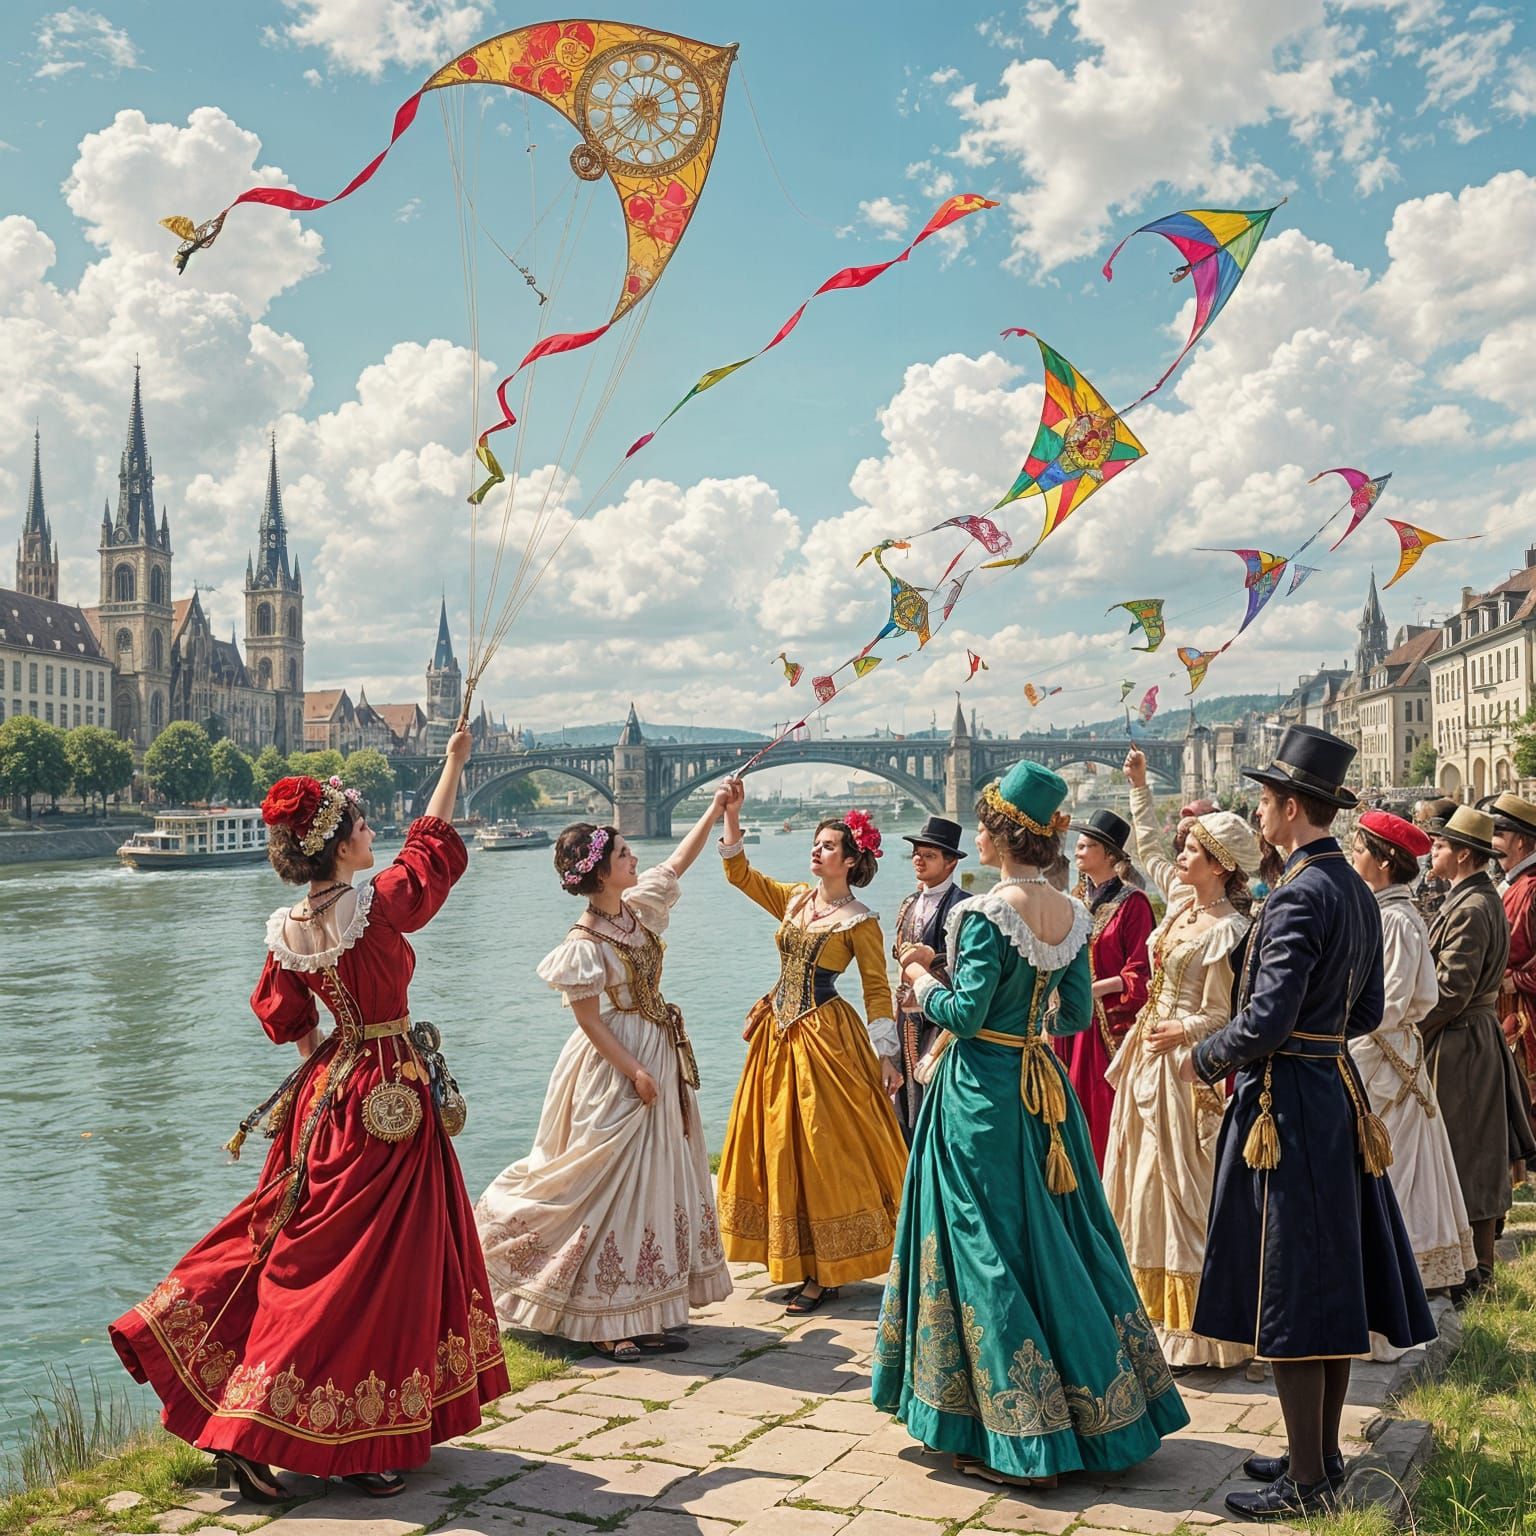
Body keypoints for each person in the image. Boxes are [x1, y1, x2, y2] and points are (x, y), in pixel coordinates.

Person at [110, 734, 510, 1502]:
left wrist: (329, 1068)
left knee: (297, 1250)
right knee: (370, 1272)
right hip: (387, 1094)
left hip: (327, 1093)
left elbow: (288, 1017)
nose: (372, 831)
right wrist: (454, 765)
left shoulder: (289, 929)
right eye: (360, 824)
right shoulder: (376, 905)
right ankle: (326, 1438)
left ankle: (300, 1422)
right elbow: (431, 849)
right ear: (337, 843)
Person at [873, 761, 1189, 1489]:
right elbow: (1073, 1014)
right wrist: (1028, 1018)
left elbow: (964, 1015)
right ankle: (1098, 1409)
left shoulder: (982, 915)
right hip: (1044, 1089)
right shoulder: (1074, 913)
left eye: (983, 828)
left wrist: (920, 979)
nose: (977, 838)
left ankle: (1018, 1434)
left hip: (980, 1096)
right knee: (1062, 1241)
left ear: (1001, 835)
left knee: (985, 1248)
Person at [1177, 725, 1435, 1521]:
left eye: (1264, 799)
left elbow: (1264, 1019)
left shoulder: (1297, 893)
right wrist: (1315, 1045)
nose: (1257, 811)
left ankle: (1310, 1485)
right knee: (1325, 1287)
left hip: (1284, 1105)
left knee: (1291, 1289)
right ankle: (1314, 1455)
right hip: (1332, 1091)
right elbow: (1368, 1010)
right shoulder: (1351, 887)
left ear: (1292, 807)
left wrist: (1204, 1058)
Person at [474, 792, 736, 1362]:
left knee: (651, 1181)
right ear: (599, 872)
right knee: (600, 1182)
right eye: (622, 853)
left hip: (658, 1051)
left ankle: (640, 1313)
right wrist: (636, 1071)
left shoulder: (634, 910)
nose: (634, 857)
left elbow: (678, 863)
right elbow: (589, 1021)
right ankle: (598, 1319)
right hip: (613, 1065)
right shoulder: (583, 943)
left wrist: (717, 810)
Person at [716, 782, 908, 1313]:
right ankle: (797, 1258)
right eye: (816, 843)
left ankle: (826, 1272)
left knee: (824, 1148)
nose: (817, 851)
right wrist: (732, 814)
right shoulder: (797, 897)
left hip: (825, 1037)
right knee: (778, 1144)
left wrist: (886, 1055)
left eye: (827, 846)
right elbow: (740, 875)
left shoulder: (860, 921)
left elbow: (876, 990)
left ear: (849, 861)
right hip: (777, 1037)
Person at [1104, 752, 1259, 1372]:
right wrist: (1139, 787)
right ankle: (1143, 1320)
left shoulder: (1228, 929)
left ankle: (1196, 1329)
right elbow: (1146, 845)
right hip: (1145, 1061)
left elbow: (1224, 1014)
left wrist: (1182, 1031)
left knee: (1177, 1189)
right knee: (1135, 1181)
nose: (1182, 855)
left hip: (1183, 1067)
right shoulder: (1180, 904)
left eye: (1193, 849)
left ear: (1219, 865)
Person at [1346, 812, 1475, 1327]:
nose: (1353, 856)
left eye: (1359, 849)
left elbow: (1389, 1002)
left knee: (1396, 1167)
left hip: (1382, 1058)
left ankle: (1401, 1276)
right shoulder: (1383, 913)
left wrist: (1339, 1034)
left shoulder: (1396, 920)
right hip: (1381, 1053)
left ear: (1382, 862)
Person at [1419, 805, 1535, 1295]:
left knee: (1469, 1153)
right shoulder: (1471, 897)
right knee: (1468, 1151)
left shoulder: (1471, 906)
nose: (1433, 852)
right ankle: (1470, 1264)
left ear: (1464, 855)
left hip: (1463, 1041)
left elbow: (1451, 990)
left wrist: (1408, 1027)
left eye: (1441, 845)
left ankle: (1477, 1270)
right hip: (1465, 1036)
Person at [1055, 809, 1154, 1170]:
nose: (1078, 850)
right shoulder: (1075, 900)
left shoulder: (1134, 903)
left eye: (1087, 845)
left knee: (1103, 1108)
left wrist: (1096, 989)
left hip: (1108, 1028)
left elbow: (1142, 973)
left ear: (1110, 854)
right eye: (1078, 844)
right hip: (1072, 1022)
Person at [890, 816, 971, 1140]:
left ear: (951, 863)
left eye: (929, 855)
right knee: (904, 1100)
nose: (918, 860)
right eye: (916, 853)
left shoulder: (964, 905)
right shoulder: (908, 903)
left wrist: (930, 966)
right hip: (905, 1018)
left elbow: (966, 965)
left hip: (941, 1019)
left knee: (937, 1093)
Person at [1491, 792, 1536, 1137]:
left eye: (1499, 835)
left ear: (1520, 842)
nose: (1492, 844)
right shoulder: (1515, 884)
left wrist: (1515, 980)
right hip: (1508, 1013)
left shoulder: (1532, 888)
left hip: (1527, 1019)